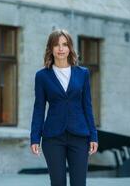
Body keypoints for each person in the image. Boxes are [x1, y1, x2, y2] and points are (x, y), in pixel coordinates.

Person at [30, 29, 98, 186]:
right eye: (56, 45)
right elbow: (39, 108)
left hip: (80, 136)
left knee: (79, 183)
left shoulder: (82, 73)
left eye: (65, 44)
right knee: (58, 182)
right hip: (53, 137)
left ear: (70, 48)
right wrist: (35, 137)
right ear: (50, 49)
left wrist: (93, 136)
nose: (61, 49)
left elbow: (87, 106)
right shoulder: (42, 76)